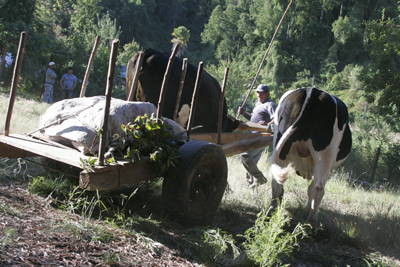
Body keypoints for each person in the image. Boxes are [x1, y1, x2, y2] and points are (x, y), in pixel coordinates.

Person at [238, 84, 277, 188]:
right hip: (253, 135)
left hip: (262, 136)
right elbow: (252, 119)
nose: (259, 95)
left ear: (267, 93)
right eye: (258, 92)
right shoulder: (258, 104)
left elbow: (276, 118)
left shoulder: (270, 104)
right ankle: (252, 188)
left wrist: (268, 123)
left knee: (244, 155)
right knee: (251, 165)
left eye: (262, 93)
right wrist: (243, 113)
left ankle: (260, 178)